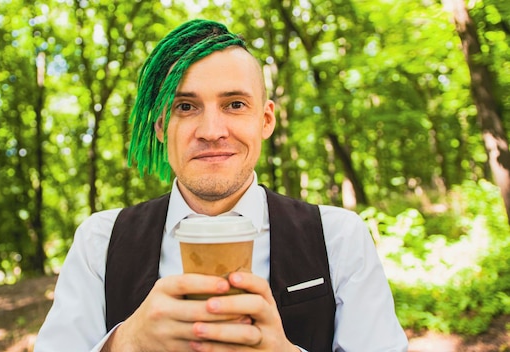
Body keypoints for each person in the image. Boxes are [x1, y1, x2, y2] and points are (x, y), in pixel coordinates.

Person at [35, 19, 408, 352]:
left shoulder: (339, 238)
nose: (212, 132)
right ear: (162, 127)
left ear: (265, 120)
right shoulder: (100, 241)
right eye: (185, 106)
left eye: (233, 104)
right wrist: (126, 342)